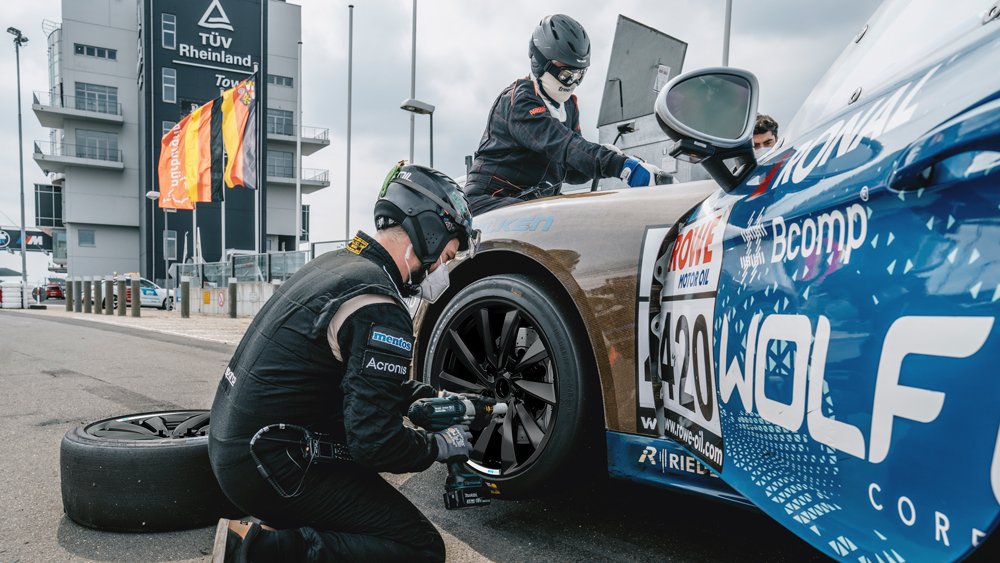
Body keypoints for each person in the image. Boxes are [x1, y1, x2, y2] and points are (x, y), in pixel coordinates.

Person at [208, 162, 480, 562]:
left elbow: (349, 378)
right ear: (430, 232)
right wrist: (437, 446)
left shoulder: (336, 265)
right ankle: (256, 552)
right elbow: (375, 443)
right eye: (447, 255)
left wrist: (427, 397)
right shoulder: (380, 305)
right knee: (420, 547)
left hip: (235, 445)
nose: (441, 268)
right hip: (272, 465)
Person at [463, 14, 661, 215]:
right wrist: (621, 166)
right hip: (489, 200)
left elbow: (571, 167)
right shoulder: (520, 101)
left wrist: (610, 156)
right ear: (541, 63)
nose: (573, 83)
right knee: (552, 218)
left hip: (528, 200)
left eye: (579, 75)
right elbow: (563, 146)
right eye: (566, 74)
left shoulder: (568, 107)